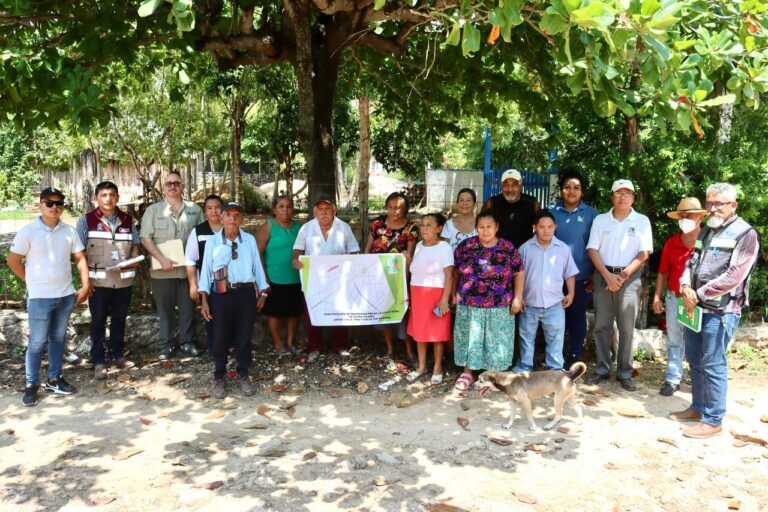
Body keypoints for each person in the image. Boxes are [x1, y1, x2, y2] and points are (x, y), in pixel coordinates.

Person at [669, 183, 760, 439]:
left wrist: (698, 294)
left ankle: (713, 419)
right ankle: (698, 408)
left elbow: (734, 276)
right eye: (710, 203)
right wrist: (685, 286)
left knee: (713, 363)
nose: (713, 208)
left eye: (719, 203)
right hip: (696, 308)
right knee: (694, 359)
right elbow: (691, 261)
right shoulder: (707, 230)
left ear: (734, 205)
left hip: (721, 311)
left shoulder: (746, 234)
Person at [8, 187, 90, 406]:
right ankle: (31, 385)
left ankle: (54, 379)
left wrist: (85, 285)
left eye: (59, 203)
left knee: (58, 338)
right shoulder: (28, 231)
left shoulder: (69, 231)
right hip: (40, 297)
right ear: (40, 205)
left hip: (65, 295)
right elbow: (13, 260)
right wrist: (30, 280)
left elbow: (80, 258)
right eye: (49, 203)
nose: (55, 207)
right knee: (37, 342)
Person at [585, 179, 653, 391]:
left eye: (627, 193)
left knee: (626, 327)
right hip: (603, 276)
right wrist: (607, 276)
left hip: (629, 278)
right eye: (618, 193)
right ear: (612, 196)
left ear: (633, 197)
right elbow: (592, 250)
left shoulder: (641, 221)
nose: (623, 197)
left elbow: (644, 253)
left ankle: (625, 372)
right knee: (601, 325)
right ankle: (602, 368)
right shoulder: (600, 220)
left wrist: (622, 276)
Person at [199, 201, 270, 399]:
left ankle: (243, 373)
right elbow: (205, 271)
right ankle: (219, 376)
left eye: (236, 215)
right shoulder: (213, 241)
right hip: (221, 294)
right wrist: (204, 300)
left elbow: (257, 266)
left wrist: (263, 293)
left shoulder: (249, 240)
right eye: (228, 215)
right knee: (220, 334)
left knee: (244, 334)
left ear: (242, 219)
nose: (232, 219)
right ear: (221, 218)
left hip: (245, 293)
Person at [75, 181, 142, 380]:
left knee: (119, 319)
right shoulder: (86, 221)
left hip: (123, 281)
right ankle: (98, 360)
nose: (108, 199)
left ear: (117, 197)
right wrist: (86, 283)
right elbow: (79, 253)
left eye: (112, 194)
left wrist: (134, 259)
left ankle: (117, 355)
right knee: (98, 321)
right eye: (103, 195)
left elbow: (135, 245)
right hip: (98, 283)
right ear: (96, 198)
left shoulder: (127, 220)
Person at [452, 212, 524, 390]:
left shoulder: (508, 248)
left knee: (496, 340)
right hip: (469, 302)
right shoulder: (466, 246)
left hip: (500, 304)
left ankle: (494, 376)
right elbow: (455, 271)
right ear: (476, 228)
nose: (485, 230)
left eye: (489, 226)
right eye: (481, 227)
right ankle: (467, 373)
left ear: (497, 227)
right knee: (471, 338)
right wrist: (452, 294)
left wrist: (518, 297)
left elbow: (519, 272)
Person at [140, 171, 204, 360]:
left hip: (187, 271)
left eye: (176, 183)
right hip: (162, 271)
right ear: (163, 187)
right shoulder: (153, 211)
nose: (172, 186)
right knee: (165, 311)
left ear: (182, 186)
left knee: (187, 310)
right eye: (169, 183)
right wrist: (161, 259)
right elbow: (145, 238)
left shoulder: (194, 210)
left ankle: (187, 342)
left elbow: (202, 236)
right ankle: (166, 345)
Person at [292, 197, 360, 362]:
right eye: (320, 209)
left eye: (327, 209)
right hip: (313, 280)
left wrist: (351, 262)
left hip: (339, 280)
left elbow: (354, 251)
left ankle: (340, 346)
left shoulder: (344, 227)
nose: (324, 212)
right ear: (315, 212)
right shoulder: (307, 228)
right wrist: (295, 260)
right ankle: (314, 347)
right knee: (312, 314)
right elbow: (298, 250)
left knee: (340, 312)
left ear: (334, 210)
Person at [651, 198, 707, 397]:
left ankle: (699, 379)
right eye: (682, 216)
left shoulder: (708, 242)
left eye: (689, 215)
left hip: (700, 302)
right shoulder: (672, 242)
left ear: (700, 217)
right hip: (675, 298)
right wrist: (657, 297)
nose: (685, 219)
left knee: (699, 342)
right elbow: (663, 272)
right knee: (674, 340)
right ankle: (673, 379)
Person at [513, 210, 578, 373]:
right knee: (526, 337)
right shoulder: (525, 249)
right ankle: (525, 366)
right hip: (529, 303)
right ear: (534, 227)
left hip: (554, 303)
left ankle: (555, 369)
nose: (546, 230)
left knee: (555, 338)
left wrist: (571, 293)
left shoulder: (563, 249)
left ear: (555, 227)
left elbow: (569, 273)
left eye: (550, 227)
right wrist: (519, 297)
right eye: (542, 227)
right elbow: (517, 275)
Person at [548, 168, 598, 366]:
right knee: (554, 319)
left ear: (582, 191)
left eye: (576, 187)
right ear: (561, 190)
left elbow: (598, 246)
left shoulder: (592, 214)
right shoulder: (551, 212)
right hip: (552, 277)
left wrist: (595, 273)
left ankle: (575, 356)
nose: (571, 191)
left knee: (576, 317)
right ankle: (555, 358)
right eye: (567, 187)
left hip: (581, 277)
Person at [364, 192, 418, 363]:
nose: (395, 211)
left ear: (405, 210)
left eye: (399, 208)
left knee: (403, 312)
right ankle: (389, 348)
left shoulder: (410, 228)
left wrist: (403, 281)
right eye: (391, 207)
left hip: (399, 278)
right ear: (386, 207)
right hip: (378, 277)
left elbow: (409, 257)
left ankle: (409, 350)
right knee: (382, 312)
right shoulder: (377, 225)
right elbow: (367, 250)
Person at [406, 213, 454, 384]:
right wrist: (408, 259)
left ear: (439, 228)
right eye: (422, 225)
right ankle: (421, 366)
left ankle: (437, 367)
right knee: (420, 332)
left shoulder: (444, 247)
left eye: (429, 225)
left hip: (436, 294)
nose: (424, 228)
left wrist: (444, 299)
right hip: (418, 293)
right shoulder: (419, 245)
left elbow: (449, 275)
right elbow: (416, 269)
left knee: (437, 333)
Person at [255, 195, 303, 356]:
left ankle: (290, 342)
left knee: (294, 312)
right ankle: (278, 344)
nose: (285, 210)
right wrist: (264, 279)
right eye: (281, 206)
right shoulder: (268, 227)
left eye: (288, 206)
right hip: (274, 279)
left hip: (296, 278)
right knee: (275, 313)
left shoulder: (299, 227)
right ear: (274, 209)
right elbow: (257, 254)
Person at [185, 194, 224, 351]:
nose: (214, 211)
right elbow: (190, 260)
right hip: (207, 283)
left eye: (217, 207)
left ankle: (230, 345)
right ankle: (216, 348)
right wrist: (193, 284)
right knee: (211, 315)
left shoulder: (231, 228)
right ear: (205, 212)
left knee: (230, 313)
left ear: (223, 210)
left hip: (231, 281)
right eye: (209, 208)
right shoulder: (198, 231)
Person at [481, 168, 539, 249]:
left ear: (520, 185)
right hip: (499, 252)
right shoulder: (491, 204)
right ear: (501, 186)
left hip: (524, 252)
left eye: (514, 185)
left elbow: (540, 227)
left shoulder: (532, 204)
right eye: (506, 185)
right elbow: (482, 227)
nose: (510, 189)